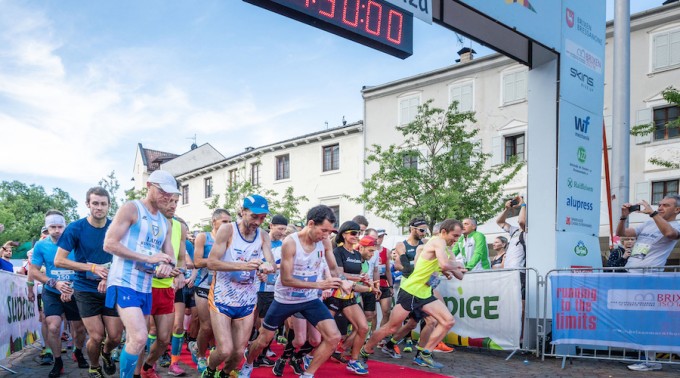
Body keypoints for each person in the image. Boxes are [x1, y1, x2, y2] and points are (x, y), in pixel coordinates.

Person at [240, 205, 344, 378]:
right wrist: (319, 285)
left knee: (333, 337)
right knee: (263, 340)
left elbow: (333, 269)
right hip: (285, 299)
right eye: (323, 230)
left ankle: (307, 375)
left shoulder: (324, 241)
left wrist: (343, 281)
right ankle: (248, 363)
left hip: (310, 299)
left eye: (330, 232)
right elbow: (286, 279)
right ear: (311, 224)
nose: (327, 235)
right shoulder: (291, 242)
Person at [103, 170, 180, 378]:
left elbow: (170, 256)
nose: (166, 197)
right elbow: (109, 244)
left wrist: (167, 265)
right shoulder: (131, 208)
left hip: (146, 286)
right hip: (123, 281)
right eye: (162, 191)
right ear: (148, 186)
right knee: (138, 337)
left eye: (170, 193)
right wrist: (148, 258)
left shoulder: (165, 222)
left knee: (137, 340)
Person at [361, 219, 466, 369]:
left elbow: (459, 276)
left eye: (458, 237)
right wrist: (456, 265)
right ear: (444, 232)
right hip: (411, 290)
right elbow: (443, 264)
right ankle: (365, 351)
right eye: (455, 236)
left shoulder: (447, 249)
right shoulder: (438, 242)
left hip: (424, 292)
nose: (456, 240)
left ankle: (424, 354)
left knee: (447, 321)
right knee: (391, 327)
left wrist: (453, 268)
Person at [202, 194, 276, 378]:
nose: (258, 222)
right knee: (225, 350)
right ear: (242, 212)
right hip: (222, 297)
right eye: (254, 216)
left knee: (237, 354)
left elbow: (271, 264)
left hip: (247, 300)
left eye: (262, 218)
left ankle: (225, 374)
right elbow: (211, 262)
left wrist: (265, 268)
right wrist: (243, 265)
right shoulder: (228, 230)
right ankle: (210, 370)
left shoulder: (263, 236)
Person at [55, 187, 123, 378]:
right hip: (85, 288)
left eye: (103, 203)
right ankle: (94, 366)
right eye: (95, 203)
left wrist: (108, 276)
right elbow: (59, 260)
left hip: (110, 287)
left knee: (116, 337)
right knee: (96, 335)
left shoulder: (116, 227)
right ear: (87, 204)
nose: (99, 207)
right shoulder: (75, 228)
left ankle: (107, 353)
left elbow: (123, 258)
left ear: (109, 205)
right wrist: (92, 268)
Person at [618, 196, 680, 372]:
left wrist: (652, 213)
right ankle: (643, 356)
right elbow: (620, 233)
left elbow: (670, 235)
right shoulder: (647, 225)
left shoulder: (676, 225)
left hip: (650, 278)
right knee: (636, 320)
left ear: (677, 210)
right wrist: (623, 216)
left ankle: (651, 360)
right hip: (632, 275)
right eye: (659, 205)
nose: (660, 207)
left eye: (666, 205)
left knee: (647, 320)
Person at [30, 210, 88, 377]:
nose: (57, 230)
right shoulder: (41, 245)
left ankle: (78, 352)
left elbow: (84, 268)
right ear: (47, 228)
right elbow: (34, 272)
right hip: (52, 290)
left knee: (79, 328)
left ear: (65, 226)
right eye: (52, 227)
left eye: (60, 226)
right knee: (54, 326)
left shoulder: (76, 243)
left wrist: (70, 287)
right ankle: (58, 362)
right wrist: (55, 283)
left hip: (74, 290)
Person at [136, 193, 187, 378]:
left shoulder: (180, 226)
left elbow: (181, 258)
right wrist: (155, 267)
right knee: (140, 337)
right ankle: (136, 373)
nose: (173, 206)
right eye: (169, 201)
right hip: (143, 285)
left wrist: (180, 272)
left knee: (164, 338)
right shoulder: (146, 222)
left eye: (176, 202)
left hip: (166, 288)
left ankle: (147, 366)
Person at [324, 221, 371, 374]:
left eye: (358, 233)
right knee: (320, 335)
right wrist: (359, 278)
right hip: (334, 295)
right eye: (353, 233)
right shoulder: (337, 252)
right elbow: (339, 275)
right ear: (344, 234)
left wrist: (366, 282)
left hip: (349, 296)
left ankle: (354, 361)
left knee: (363, 327)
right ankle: (306, 355)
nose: (356, 236)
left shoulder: (357, 254)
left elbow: (354, 277)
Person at [189, 208, 231, 372]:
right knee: (206, 326)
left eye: (229, 222)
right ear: (214, 222)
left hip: (223, 287)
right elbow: (197, 262)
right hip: (204, 285)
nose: (228, 225)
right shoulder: (203, 237)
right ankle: (200, 355)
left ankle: (213, 352)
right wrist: (215, 262)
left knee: (219, 326)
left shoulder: (231, 239)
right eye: (224, 221)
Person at [254, 214, 288, 367]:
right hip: (262, 289)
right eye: (280, 228)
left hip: (277, 289)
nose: (282, 232)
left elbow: (283, 264)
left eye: (284, 229)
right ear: (271, 225)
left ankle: (259, 354)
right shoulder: (261, 242)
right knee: (265, 325)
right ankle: (257, 356)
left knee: (270, 325)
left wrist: (276, 267)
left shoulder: (282, 245)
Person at [393, 218, 429, 352]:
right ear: (412, 229)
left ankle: (423, 347)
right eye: (421, 230)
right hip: (407, 284)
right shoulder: (401, 244)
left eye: (426, 230)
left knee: (426, 315)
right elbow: (398, 265)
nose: (424, 233)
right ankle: (404, 341)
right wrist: (410, 269)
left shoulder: (425, 243)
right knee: (405, 317)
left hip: (422, 285)